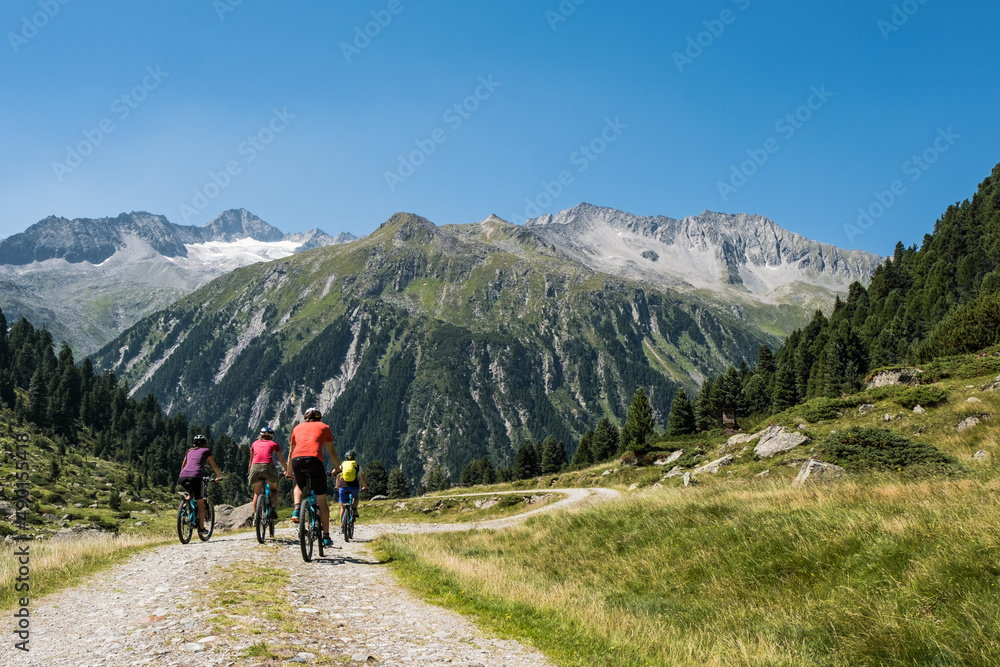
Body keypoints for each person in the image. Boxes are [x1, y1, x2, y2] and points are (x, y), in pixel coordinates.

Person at [285, 407, 340, 548]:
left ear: (305, 418)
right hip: (314, 460)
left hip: (296, 460)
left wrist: (288, 471)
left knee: (299, 485)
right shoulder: (324, 427)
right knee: (322, 500)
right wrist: (337, 468)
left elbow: (291, 452)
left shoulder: (297, 428)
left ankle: (297, 508)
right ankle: (326, 536)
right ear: (319, 418)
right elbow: (331, 451)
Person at [178, 434, 223, 538]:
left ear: (194, 443)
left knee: (190, 493)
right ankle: (202, 528)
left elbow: (182, 466)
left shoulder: (189, 451)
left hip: (183, 477)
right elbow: (214, 465)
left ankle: (184, 507)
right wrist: (219, 476)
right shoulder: (206, 451)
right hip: (196, 477)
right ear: (205, 443)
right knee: (200, 502)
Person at [247, 426, 289, 524]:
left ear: (260, 435)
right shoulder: (274, 444)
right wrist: (288, 471)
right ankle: (273, 508)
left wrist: (250, 472)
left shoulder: (254, 444)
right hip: (268, 467)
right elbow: (282, 460)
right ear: (271, 436)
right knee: (273, 489)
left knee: (257, 492)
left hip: (255, 467)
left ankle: (256, 518)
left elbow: (250, 461)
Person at [336, 450, 367, 526]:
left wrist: (337, 487)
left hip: (343, 487)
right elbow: (362, 478)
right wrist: (365, 487)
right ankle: (354, 509)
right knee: (356, 497)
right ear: (354, 458)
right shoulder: (358, 467)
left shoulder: (342, 466)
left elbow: (338, 477)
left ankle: (342, 525)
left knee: (343, 507)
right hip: (354, 486)